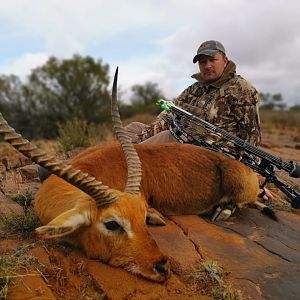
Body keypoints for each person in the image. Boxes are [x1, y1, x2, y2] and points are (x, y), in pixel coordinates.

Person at [125, 40, 273, 200]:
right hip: (181, 138)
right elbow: (168, 115)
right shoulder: (194, 89)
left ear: (225, 60)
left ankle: (123, 175)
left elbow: (251, 138)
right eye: (203, 62)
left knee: (164, 137)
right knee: (133, 128)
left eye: (212, 60)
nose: (207, 65)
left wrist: (249, 180)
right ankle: (122, 158)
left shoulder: (243, 90)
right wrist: (139, 138)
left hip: (210, 157)